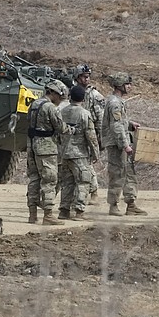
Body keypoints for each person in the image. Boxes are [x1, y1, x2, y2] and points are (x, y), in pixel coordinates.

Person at [26, 79, 72, 226]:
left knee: (34, 179)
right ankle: (48, 214)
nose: (60, 99)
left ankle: (32, 214)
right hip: (46, 148)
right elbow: (60, 127)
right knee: (50, 180)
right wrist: (71, 129)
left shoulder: (34, 104)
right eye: (59, 96)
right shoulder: (50, 108)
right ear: (52, 92)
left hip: (32, 145)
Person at [102, 72, 147, 216]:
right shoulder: (115, 103)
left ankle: (131, 204)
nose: (130, 87)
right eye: (127, 84)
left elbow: (120, 123)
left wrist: (130, 124)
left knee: (129, 173)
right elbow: (115, 126)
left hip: (121, 142)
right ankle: (113, 205)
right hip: (117, 145)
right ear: (120, 85)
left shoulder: (117, 101)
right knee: (117, 174)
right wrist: (125, 145)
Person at [58, 85, 100, 221]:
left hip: (64, 153)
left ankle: (64, 211)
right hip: (79, 153)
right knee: (83, 181)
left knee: (67, 183)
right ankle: (79, 211)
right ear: (83, 98)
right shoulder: (84, 114)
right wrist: (95, 154)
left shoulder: (62, 111)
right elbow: (91, 136)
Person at [72, 63, 104, 204]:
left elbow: (101, 119)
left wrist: (98, 139)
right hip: (72, 135)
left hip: (89, 133)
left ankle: (94, 192)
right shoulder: (71, 91)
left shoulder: (94, 95)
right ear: (77, 77)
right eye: (84, 76)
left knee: (87, 164)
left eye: (88, 76)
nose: (87, 79)